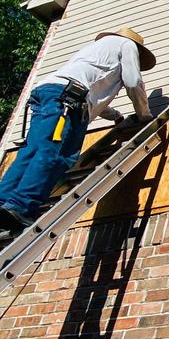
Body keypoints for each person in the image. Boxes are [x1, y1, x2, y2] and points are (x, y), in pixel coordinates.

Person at [0, 27, 156, 236]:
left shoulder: (96, 50)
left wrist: (116, 116)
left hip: (49, 94)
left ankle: (3, 201)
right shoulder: (127, 46)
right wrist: (144, 115)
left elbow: (91, 92)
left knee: (31, 152)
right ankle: (21, 207)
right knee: (56, 153)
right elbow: (133, 81)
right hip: (67, 100)